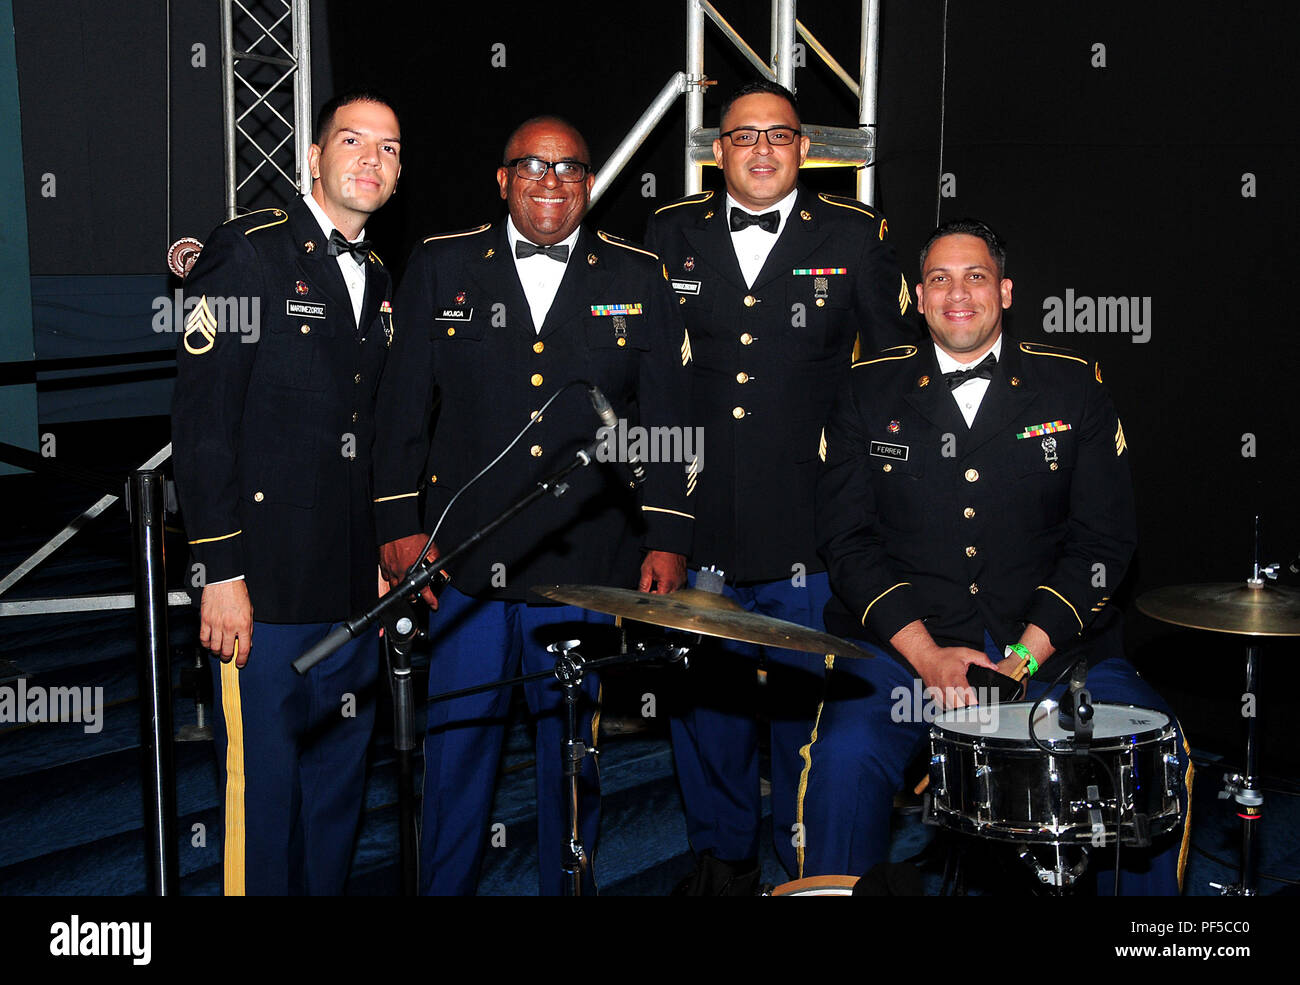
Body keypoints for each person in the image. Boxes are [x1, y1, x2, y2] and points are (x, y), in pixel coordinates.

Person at [804, 219, 1190, 893]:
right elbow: (847, 541)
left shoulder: (1072, 386)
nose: (959, 293)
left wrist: (1027, 655)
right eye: (939, 279)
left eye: (976, 276)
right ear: (918, 299)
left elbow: (1104, 543)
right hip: (907, 654)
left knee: (1146, 757)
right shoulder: (866, 390)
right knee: (844, 758)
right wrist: (926, 657)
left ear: (1005, 291)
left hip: (1057, 654)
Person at [373, 116, 692, 895]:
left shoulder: (636, 274)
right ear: (503, 178)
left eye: (569, 168)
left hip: (583, 566)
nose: (552, 181)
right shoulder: (442, 264)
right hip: (465, 563)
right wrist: (395, 523)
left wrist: (669, 535)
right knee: (456, 753)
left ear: (589, 182)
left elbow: (667, 420)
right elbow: (399, 410)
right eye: (533, 166)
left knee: (572, 762)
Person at [643, 79, 918, 893]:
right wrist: (659, 516)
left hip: (816, 530)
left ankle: (808, 874)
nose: (761, 149)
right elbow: (650, 381)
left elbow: (897, 378)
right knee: (705, 710)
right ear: (716, 150)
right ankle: (721, 858)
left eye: (779, 134)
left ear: (805, 149)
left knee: (811, 714)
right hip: (699, 524)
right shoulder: (667, 234)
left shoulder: (857, 233)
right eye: (742, 135)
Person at [171, 89, 402, 894]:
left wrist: (376, 561)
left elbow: (365, 437)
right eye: (353, 141)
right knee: (261, 801)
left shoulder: (377, 276)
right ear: (312, 156)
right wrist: (221, 574)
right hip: (260, 592)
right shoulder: (251, 250)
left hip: (347, 594)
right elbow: (203, 426)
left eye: (390, 149)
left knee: (337, 796)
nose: (371, 159)